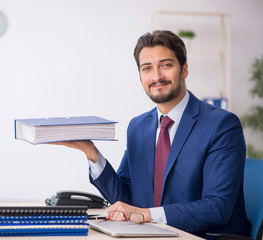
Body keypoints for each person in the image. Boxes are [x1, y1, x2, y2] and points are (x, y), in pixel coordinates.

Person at [51, 30, 249, 239]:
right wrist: (91, 152)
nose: (156, 76)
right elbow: (126, 198)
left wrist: (145, 215)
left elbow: (217, 207)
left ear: (184, 69)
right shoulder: (138, 126)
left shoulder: (221, 125)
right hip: (150, 234)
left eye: (166, 65)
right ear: (140, 76)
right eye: (147, 68)